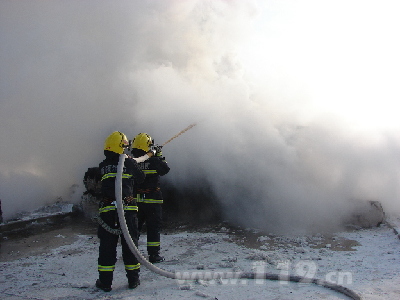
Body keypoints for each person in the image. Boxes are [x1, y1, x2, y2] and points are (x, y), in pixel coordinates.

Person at [96, 131, 154, 292]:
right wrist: (131, 163)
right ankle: (133, 280)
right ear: (121, 146)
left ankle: (105, 282)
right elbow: (141, 177)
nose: (127, 150)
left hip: (108, 211)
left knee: (107, 248)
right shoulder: (127, 162)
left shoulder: (102, 165)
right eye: (125, 147)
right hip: (127, 210)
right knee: (130, 246)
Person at [130, 133, 170, 263]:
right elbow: (165, 169)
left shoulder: (131, 162)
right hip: (152, 200)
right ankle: (153, 255)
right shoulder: (153, 161)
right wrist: (158, 155)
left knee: (135, 228)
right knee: (153, 228)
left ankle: (131, 253)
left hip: (136, 201)